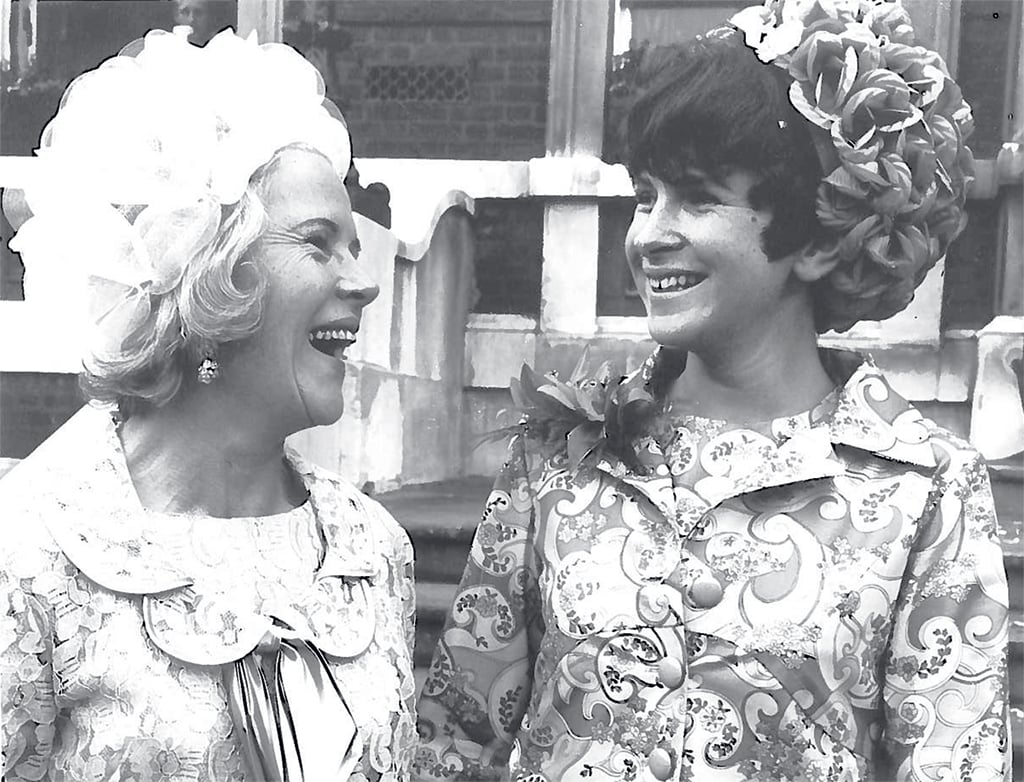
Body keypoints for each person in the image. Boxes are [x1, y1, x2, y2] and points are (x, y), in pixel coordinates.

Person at [414, 1, 1011, 780]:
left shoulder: (924, 487)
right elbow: (456, 742)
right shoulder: (557, 457)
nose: (649, 233)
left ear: (822, 237)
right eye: (644, 195)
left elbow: (951, 763)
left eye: (696, 198)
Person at [1, 27, 417, 782]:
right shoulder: (30, 558)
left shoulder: (373, 551)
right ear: (204, 276)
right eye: (320, 244)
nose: (364, 281)